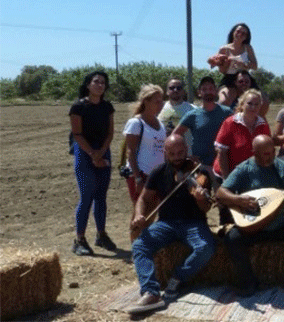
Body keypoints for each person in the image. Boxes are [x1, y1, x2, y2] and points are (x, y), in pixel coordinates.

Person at [216, 135, 284, 293]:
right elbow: (220, 193)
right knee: (232, 239)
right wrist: (238, 200)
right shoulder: (244, 169)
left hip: (279, 224)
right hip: (253, 227)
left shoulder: (281, 167)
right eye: (266, 154)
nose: (271, 156)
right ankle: (248, 283)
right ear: (255, 153)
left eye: (272, 152)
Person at [126, 135, 216, 314]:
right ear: (165, 153)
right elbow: (144, 198)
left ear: (186, 150)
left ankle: (177, 278)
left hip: (194, 223)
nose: (177, 157)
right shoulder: (159, 171)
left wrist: (200, 199)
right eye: (172, 153)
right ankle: (151, 292)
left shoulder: (199, 172)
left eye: (181, 152)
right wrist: (139, 214)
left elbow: (206, 208)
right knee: (139, 246)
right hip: (166, 223)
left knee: (206, 247)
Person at [69, 71, 116, 255]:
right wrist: (92, 154)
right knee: (86, 196)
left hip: (103, 151)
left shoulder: (108, 107)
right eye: (96, 82)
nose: (100, 85)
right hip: (84, 152)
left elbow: (110, 133)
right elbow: (77, 134)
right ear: (88, 85)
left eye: (103, 82)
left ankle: (101, 235)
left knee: (101, 196)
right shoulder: (78, 107)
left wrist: (101, 153)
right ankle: (79, 239)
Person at [173, 76, 232, 224]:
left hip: (222, 166)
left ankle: (226, 233)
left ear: (216, 91)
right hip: (201, 167)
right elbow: (175, 136)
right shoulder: (193, 115)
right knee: (198, 202)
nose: (208, 92)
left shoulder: (227, 112)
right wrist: (187, 156)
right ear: (199, 92)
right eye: (204, 89)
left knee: (225, 204)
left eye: (211, 88)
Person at [213, 89, 271, 179]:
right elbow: (221, 152)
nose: (253, 107)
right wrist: (227, 180)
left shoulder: (263, 125)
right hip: (228, 174)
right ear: (242, 104)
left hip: (251, 175)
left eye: (256, 104)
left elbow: (267, 152)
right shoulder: (230, 123)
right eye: (250, 103)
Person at [123, 84, 167, 204]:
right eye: (157, 101)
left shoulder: (160, 124)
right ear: (146, 102)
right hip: (142, 175)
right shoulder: (136, 123)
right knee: (141, 212)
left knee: (152, 212)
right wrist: (138, 179)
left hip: (157, 176)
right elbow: (131, 152)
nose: (161, 104)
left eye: (161, 101)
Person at [213, 23, 258, 107]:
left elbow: (255, 66)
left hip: (245, 77)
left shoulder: (248, 48)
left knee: (263, 101)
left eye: (243, 33)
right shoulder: (224, 49)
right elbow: (219, 68)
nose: (240, 34)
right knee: (224, 101)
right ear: (233, 32)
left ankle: (259, 119)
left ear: (246, 37)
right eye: (238, 31)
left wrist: (244, 64)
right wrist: (221, 63)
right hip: (229, 78)